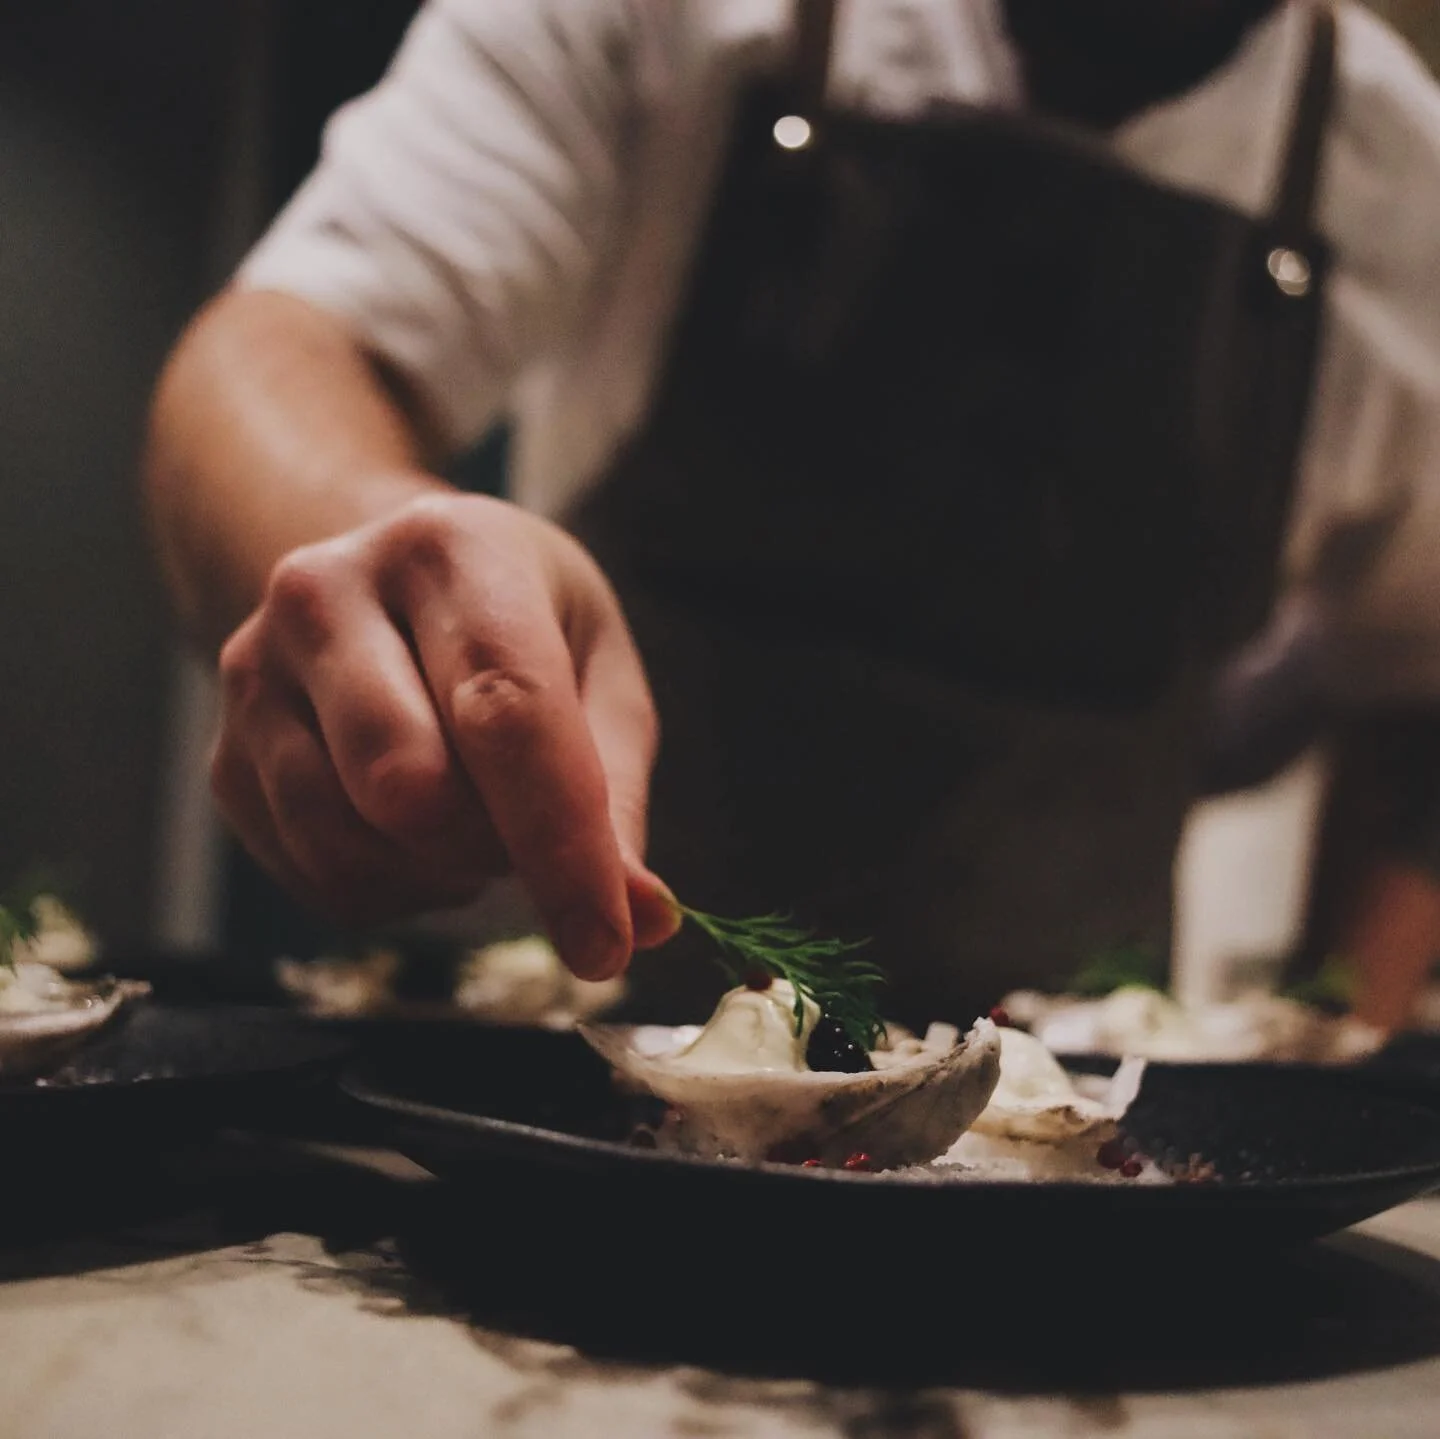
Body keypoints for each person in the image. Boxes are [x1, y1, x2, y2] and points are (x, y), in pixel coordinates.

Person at [145, 0, 1440, 1029]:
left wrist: (1332, 1056)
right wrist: (367, 536)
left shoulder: (1406, 188)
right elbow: (278, 351)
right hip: (563, 1058)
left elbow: (1421, 696)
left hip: (1077, 1134)